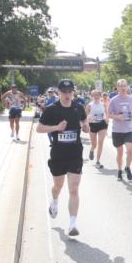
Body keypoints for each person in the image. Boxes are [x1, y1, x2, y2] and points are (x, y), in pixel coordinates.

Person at [36, 79, 89, 237]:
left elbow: (84, 121)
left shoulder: (78, 107)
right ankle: (54, 201)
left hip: (75, 154)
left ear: (73, 92)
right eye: (64, 92)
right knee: (57, 187)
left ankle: (72, 224)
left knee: (73, 189)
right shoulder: (52, 110)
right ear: (58, 92)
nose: (67, 95)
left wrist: (86, 126)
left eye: (69, 91)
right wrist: (56, 128)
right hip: (58, 154)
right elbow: (39, 128)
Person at [108, 79, 132, 181]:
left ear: (127, 87)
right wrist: (117, 117)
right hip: (117, 130)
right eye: (121, 86)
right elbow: (109, 114)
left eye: (124, 86)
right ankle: (119, 170)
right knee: (120, 152)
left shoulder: (131, 99)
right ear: (118, 88)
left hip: (128, 129)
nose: (123, 88)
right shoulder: (113, 100)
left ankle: (127, 167)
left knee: (130, 150)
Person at [86, 89, 108, 169]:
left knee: (100, 142)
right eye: (94, 95)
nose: (96, 96)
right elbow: (85, 117)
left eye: (97, 95)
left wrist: (107, 126)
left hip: (102, 124)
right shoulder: (89, 105)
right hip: (93, 125)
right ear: (92, 96)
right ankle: (92, 150)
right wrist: (90, 119)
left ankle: (98, 161)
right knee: (94, 144)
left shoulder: (103, 105)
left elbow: (106, 115)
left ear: (100, 96)